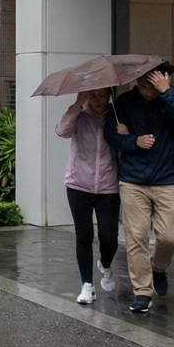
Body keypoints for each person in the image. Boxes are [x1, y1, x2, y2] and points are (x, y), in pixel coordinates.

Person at [104, 66, 174, 315]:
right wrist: (133, 141)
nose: (147, 91)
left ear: (162, 81)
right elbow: (110, 135)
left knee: (169, 237)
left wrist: (166, 93)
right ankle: (142, 292)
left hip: (168, 179)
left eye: (152, 86)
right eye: (143, 85)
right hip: (133, 180)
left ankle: (158, 268)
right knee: (137, 237)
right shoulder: (124, 103)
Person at [55, 88, 120, 305]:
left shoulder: (116, 116)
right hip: (78, 185)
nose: (98, 101)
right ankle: (87, 285)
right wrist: (77, 104)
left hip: (108, 186)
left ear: (109, 96)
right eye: (93, 96)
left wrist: (124, 131)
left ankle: (106, 263)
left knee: (109, 237)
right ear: (86, 96)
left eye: (103, 96)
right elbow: (61, 131)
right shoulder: (79, 117)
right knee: (84, 234)